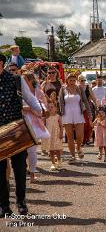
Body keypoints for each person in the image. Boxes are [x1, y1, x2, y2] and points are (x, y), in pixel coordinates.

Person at [0, 54, 42, 217]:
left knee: (19, 168)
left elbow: (30, 99)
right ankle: (4, 205)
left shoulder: (16, 80)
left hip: (17, 130)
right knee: (0, 170)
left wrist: (39, 110)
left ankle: (21, 201)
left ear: (2, 64)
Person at [59, 73, 92, 164]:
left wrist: (89, 114)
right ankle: (72, 156)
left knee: (79, 135)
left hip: (78, 113)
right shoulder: (62, 90)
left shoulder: (79, 89)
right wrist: (60, 115)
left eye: (74, 80)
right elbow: (60, 102)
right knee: (69, 137)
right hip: (67, 114)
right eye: (70, 80)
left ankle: (79, 148)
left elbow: (85, 101)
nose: (72, 82)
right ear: (67, 80)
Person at [41, 102, 63, 171]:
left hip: (56, 134)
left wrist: (61, 133)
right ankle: (53, 163)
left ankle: (59, 161)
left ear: (55, 108)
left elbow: (61, 126)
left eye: (52, 107)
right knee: (51, 150)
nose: (50, 108)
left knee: (58, 149)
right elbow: (43, 125)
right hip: (49, 135)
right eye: (49, 107)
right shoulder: (46, 117)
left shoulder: (58, 116)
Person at [78, 75, 96, 145]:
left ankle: (87, 139)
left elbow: (93, 98)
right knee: (82, 125)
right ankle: (82, 140)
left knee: (88, 124)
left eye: (84, 80)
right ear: (78, 81)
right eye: (81, 80)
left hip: (87, 108)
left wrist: (97, 106)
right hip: (79, 108)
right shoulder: (77, 88)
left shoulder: (88, 87)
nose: (83, 82)